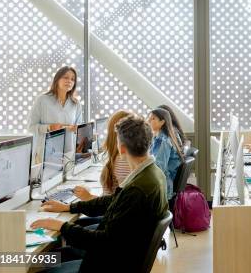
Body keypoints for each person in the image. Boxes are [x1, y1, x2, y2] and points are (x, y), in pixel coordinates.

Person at [30, 114, 168, 272]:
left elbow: (103, 242)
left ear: (121, 148)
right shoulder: (152, 173)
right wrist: (70, 208)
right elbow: (113, 201)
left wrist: (62, 226)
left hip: (105, 264)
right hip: (118, 257)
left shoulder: (138, 189)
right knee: (51, 256)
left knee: (38, 263)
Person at [73, 110, 133, 202]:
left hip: (110, 214)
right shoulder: (126, 156)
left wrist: (88, 197)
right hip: (109, 211)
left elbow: (118, 204)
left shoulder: (122, 161)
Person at [28, 66, 83, 163]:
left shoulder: (76, 104)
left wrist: (77, 130)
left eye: (72, 79)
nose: (69, 81)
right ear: (57, 79)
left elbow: (78, 130)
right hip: (46, 155)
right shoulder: (42, 100)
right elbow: (31, 127)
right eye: (65, 77)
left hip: (68, 154)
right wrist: (49, 127)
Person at [148, 108, 185, 200]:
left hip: (163, 186)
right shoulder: (159, 137)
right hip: (163, 182)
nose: (148, 121)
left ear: (162, 122)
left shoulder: (163, 140)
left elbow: (159, 167)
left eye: (153, 119)